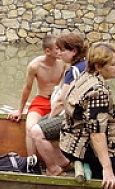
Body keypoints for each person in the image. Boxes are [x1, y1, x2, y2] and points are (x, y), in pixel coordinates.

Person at [60, 42, 115, 189]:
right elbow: (96, 133)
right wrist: (107, 169)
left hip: (69, 142)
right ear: (98, 66)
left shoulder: (85, 76)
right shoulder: (98, 91)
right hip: (82, 147)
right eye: (113, 64)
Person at [31, 33, 88, 175]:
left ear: (74, 51)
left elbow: (62, 101)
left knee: (36, 131)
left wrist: (51, 116)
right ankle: (63, 162)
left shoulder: (73, 71)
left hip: (76, 118)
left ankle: (53, 168)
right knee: (44, 126)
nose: (60, 53)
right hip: (85, 114)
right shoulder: (85, 64)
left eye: (63, 50)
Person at [8, 34, 66, 156]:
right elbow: (27, 88)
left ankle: (61, 161)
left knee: (62, 129)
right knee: (30, 128)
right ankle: (31, 162)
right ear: (48, 51)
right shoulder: (34, 66)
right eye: (58, 48)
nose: (60, 51)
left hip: (57, 102)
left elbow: (66, 86)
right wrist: (20, 110)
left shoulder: (63, 64)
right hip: (41, 101)